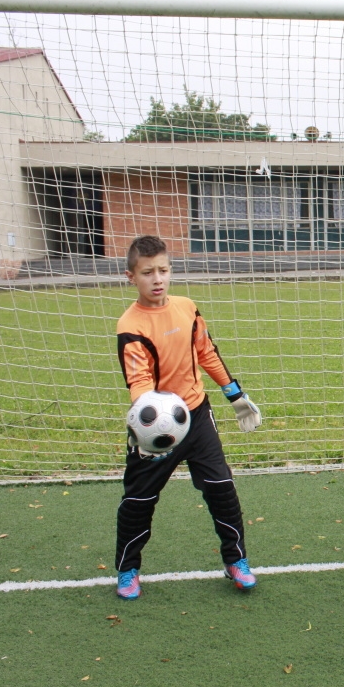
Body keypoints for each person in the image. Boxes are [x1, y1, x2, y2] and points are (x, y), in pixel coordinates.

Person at [114, 235, 263, 599]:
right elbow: (139, 380)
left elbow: (207, 353)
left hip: (196, 416)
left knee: (221, 490)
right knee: (139, 501)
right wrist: (148, 427)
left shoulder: (186, 307)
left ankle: (236, 561)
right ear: (131, 276)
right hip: (159, 430)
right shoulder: (130, 325)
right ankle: (128, 569)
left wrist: (235, 395)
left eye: (163, 270)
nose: (157, 279)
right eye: (147, 272)